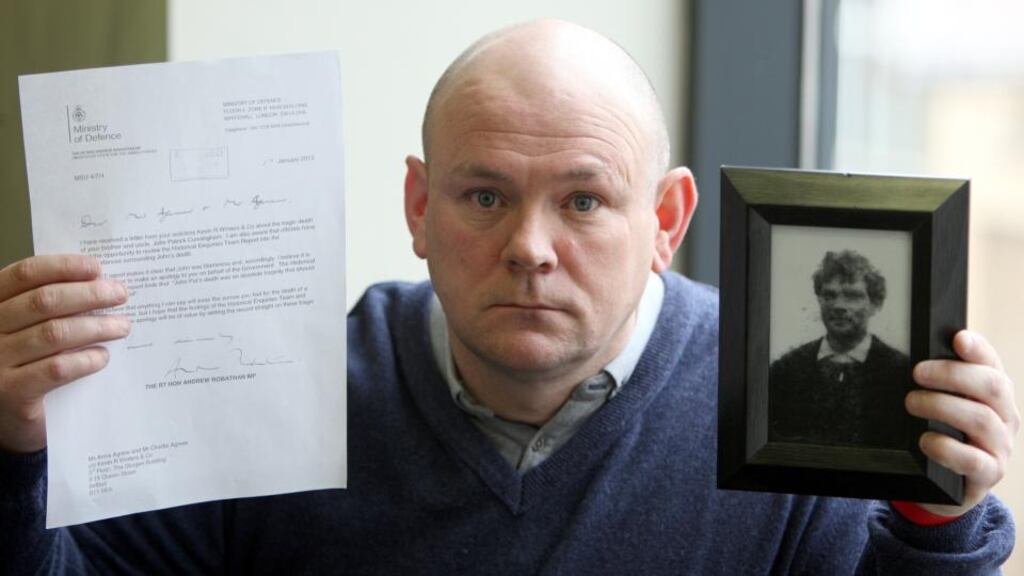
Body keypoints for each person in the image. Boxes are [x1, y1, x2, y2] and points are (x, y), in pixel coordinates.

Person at [0, 19, 1018, 574]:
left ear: (665, 220)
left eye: (584, 200)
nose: (529, 249)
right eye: (484, 195)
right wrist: (11, 451)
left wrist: (936, 521)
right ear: (418, 205)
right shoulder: (291, 390)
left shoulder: (778, 405)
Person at [770, 250, 911, 448]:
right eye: (829, 295)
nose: (838, 305)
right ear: (819, 300)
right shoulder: (785, 370)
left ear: (875, 304)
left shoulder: (901, 372)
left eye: (852, 296)